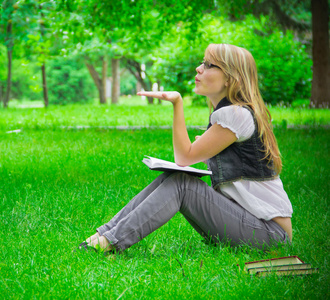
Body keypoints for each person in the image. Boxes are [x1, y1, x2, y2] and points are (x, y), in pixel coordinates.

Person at [78, 44, 293, 255]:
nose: (199, 69)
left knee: (183, 183)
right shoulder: (235, 113)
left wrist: (177, 103)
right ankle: (103, 236)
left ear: (230, 78)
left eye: (209, 65)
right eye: (202, 63)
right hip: (253, 226)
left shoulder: (236, 114)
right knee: (175, 177)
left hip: (270, 235)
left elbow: (184, 157)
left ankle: (109, 242)